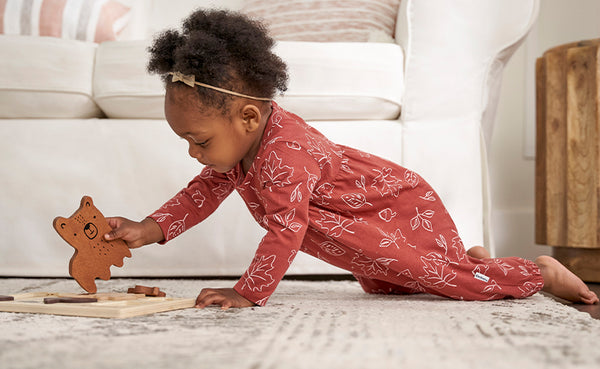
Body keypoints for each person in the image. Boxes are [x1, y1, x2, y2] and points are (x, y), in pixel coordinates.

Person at [104, 9, 598, 309]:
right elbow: (201, 193)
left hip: (396, 204)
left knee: (443, 282)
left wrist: (248, 291)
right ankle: (471, 261)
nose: (195, 154)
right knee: (391, 289)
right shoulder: (239, 147)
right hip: (360, 223)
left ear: (248, 118)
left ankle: (536, 273)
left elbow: (285, 231)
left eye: (200, 141)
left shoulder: (283, 155)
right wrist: (149, 227)